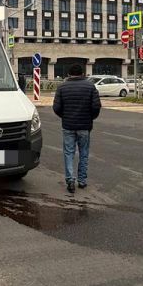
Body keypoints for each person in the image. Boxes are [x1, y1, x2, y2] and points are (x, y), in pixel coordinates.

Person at [51, 63, 101, 193]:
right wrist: (90, 118)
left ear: (68, 74)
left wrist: (65, 116)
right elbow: (96, 107)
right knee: (84, 153)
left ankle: (70, 180)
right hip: (85, 126)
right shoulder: (90, 86)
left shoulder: (62, 87)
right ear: (83, 74)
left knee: (69, 153)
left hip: (68, 125)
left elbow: (56, 108)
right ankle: (82, 181)